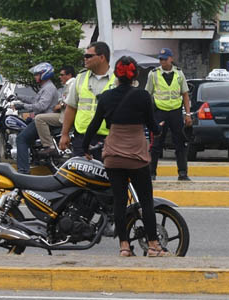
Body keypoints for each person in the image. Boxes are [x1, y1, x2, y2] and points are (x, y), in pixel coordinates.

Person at [82, 56, 171, 257]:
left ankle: (124, 246)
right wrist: (159, 129)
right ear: (135, 75)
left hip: (113, 156)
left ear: (116, 75)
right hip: (137, 157)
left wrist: (86, 147)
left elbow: (94, 125)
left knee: (120, 202)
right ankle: (153, 245)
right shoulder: (142, 96)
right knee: (146, 201)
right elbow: (152, 126)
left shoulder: (105, 98)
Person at [59, 42, 116, 160]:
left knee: (106, 176)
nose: (85, 59)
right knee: (79, 176)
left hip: (108, 139)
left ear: (102, 57)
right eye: (85, 56)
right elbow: (71, 108)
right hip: (82, 138)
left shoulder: (117, 80)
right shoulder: (80, 78)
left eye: (89, 56)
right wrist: (64, 134)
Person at [145, 48, 192, 181]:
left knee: (180, 143)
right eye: (160, 59)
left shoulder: (179, 73)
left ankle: (182, 173)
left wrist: (187, 114)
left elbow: (185, 94)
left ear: (171, 58)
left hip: (176, 112)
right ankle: (151, 173)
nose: (162, 62)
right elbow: (147, 94)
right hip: (160, 111)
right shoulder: (153, 74)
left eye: (165, 59)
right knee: (156, 144)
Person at [13, 62, 59, 174]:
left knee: (21, 139)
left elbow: (40, 106)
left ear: (44, 74)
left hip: (44, 121)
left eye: (37, 74)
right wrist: (18, 97)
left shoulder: (48, 88)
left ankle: (23, 171)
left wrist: (22, 106)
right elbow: (35, 100)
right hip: (41, 119)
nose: (35, 77)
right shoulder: (45, 87)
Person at [35, 65, 75, 157]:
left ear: (69, 75)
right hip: (64, 114)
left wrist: (59, 105)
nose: (59, 77)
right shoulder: (68, 85)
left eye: (62, 75)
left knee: (39, 118)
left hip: (65, 116)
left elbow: (71, 101)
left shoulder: (72, 84)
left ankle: (49, 146)